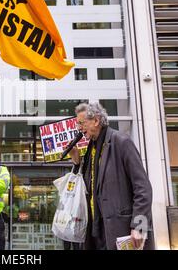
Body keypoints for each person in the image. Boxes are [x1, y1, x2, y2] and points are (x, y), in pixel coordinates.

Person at [68, 102, 153, 250]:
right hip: (97, 232)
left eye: (82, 123)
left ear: (96, 120)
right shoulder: (90, 149)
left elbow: (143, 188)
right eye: (77, 124)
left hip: (121, 230)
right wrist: (76, 163)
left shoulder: (121, 142)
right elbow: (85, 189)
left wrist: (139, 227)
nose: (79, 128)